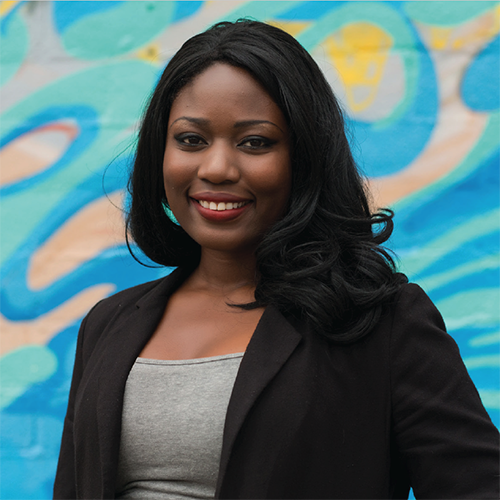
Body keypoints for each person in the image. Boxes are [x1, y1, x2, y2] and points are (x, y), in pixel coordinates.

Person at [53, 20, 500, 500]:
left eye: (255, 142)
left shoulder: (382, 322)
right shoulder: (108, 323)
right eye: (190, 140)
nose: (217, 168)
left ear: (304, 158)